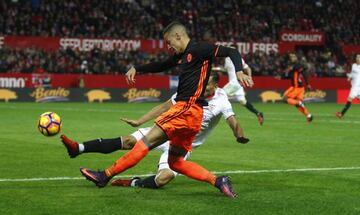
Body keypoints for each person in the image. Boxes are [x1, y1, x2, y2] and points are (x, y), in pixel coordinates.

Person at [76, 21, 253, 198]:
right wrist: (137, 68)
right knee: (175, 162)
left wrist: (238, 71)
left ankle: (104, 176)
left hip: (185, 109)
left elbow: (232, 51)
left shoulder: (200, 49)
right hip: (195, 115)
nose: (169, 46)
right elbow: (162, 64)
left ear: (178, 36)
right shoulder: (183, 55)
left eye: (169, 42)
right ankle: (218, 181)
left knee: (144, 143)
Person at [61, 72, 249, 189]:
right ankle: (78, 148)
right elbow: (164, 107)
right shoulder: (192, 90)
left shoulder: (222, 101)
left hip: (181, 144)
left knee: (164, 178)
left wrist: (239, 135)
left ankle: (132, 182)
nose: (202, 87)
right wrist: (139, 121)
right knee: (128, 141)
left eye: (206, 85)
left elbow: (232, 121)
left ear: (215, 86)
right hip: (165, 130)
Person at [223, 55, 264, 125]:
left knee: (220, 95)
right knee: (243, 101)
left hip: (235, 83)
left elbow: (248, 68)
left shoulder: (233, 58)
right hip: (237, 83)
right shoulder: (230, 59)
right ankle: (258, 113)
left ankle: (228, 114)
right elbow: (227, 69)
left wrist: (250, 78)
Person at [283, 53, 313, 122]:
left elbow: (305, 71)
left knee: (285, 99)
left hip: (296, 87)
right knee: (297, 105)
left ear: (296, 57)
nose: (292, 58)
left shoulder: (298, 65)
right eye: (291, 56)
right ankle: (309, 116)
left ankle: (299, 103)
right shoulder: (292, 65)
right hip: (299, 87)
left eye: (293, 56)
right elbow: (290, 75)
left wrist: (308, 84)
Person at [336, 54, 360, 118]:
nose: (357, 58)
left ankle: (341, 114)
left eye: (359, 57)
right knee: (349, 99)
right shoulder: (354, 65)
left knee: (349, 99)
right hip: (354, 86)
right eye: (357, 57)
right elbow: (352, 73)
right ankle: (341, 114)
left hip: (357, 87)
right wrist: (350, 77)